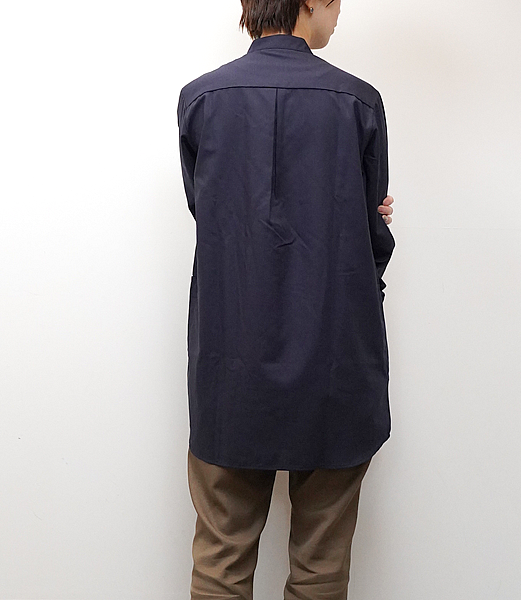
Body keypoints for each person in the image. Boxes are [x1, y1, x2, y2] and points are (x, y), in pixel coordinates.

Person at [177, 1, 396, 598]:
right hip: (334, 359)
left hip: (229, 359)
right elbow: (371, 238)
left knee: (220, 560)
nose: (338, 14)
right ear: (310, 2)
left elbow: (209, 212)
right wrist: (367, 224)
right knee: (321, 566)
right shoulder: (358, 101)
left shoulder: (200, 99)